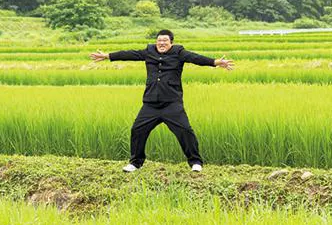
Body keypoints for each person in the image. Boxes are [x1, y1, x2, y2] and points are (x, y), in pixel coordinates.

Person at [90, 30, 232, 172]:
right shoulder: (149, 51)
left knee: (185, 131)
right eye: (159, 40)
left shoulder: (179, 52)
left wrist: (215, 62)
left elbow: (195, 58)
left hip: (172, 103)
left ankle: (195, 162)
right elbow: (130, 54)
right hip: (151, 104)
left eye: (165, 41)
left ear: (171, 42)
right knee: (137, 130)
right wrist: (107, 56)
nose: (162, 43)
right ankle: (135, 163)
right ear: (156, 41)